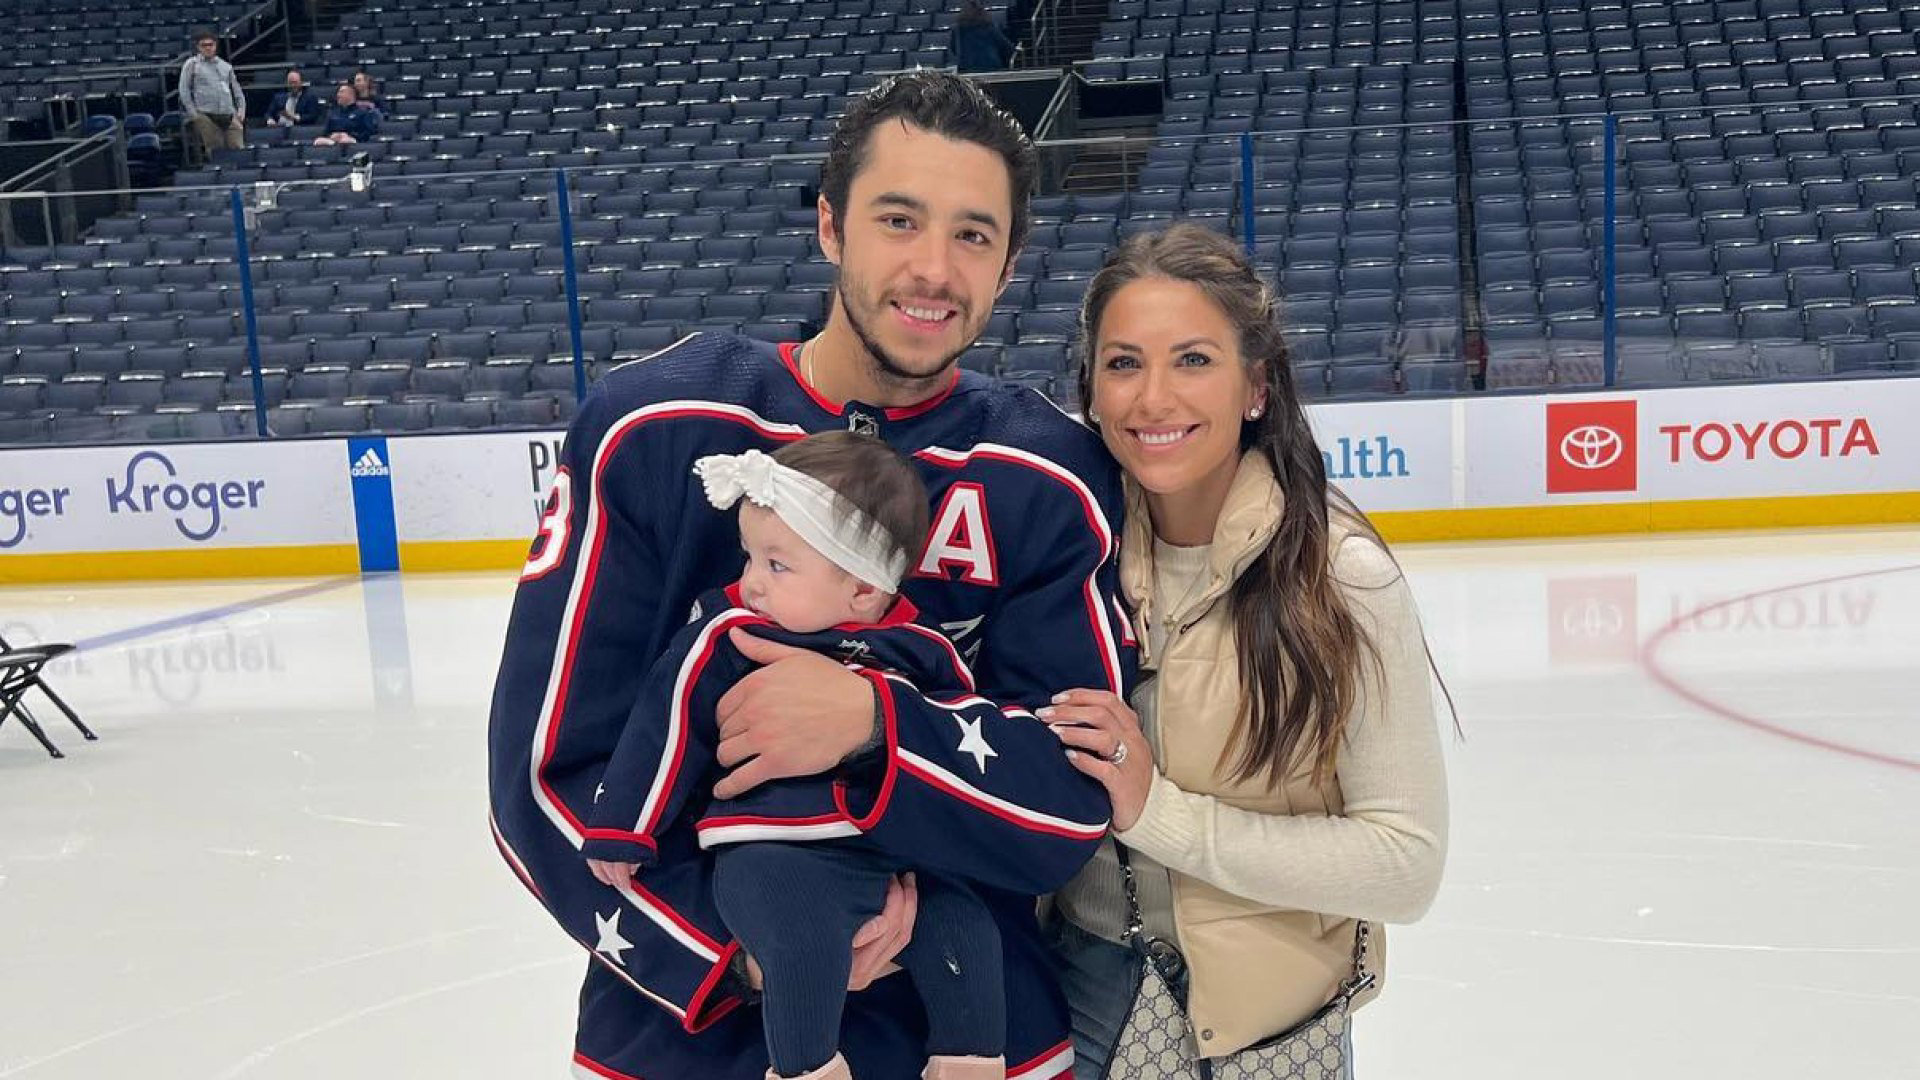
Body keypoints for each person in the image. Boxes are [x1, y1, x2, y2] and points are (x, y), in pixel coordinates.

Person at [487, 70, 1134, 1080]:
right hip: (683, 1040)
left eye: (973, 235)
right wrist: (747, 954)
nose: (933, 269)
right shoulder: (660, 429)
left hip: (969, 1034)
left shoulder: (1047, 476)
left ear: (1009, 266)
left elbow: (1070, 800)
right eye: (898, 219)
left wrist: (877, 725)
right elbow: (549, 771)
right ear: (830, 225)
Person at [1041, 223, 1451, 1078]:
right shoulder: (1065, 559)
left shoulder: (1341, 579)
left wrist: (1158, 814)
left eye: (1193, 359)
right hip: (1084, 1010)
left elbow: (1403, 865)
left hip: (1274, 1030)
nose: (1153, 399)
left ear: (1256, 386)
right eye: (1123, 364)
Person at [588, 433, 1008, 1080]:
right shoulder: (730, 636)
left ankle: (969, 1063)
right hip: (773, 853)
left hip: (891, 858)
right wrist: (625, 823)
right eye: (750, 558)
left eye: (777, 566)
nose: (750, 582)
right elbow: (664, 723)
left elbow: (957, 742)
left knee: (967, 930)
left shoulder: (922, 652)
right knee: (803, 946)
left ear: (864, 593)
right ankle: (807, 1070)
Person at [178, 30, 245, 159]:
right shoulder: (192, 65)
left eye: (211, 44)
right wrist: (193, 113)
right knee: (215, 149)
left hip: (228, 113)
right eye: (204, 45)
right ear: (198, 47)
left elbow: (237, 90)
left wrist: (241, 110)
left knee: (238, 148)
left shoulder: (225, 66)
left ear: (215, 46)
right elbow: (184, 89)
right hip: (205, 113)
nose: (208, 48)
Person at [953, 1, 1016, 72]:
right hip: (991, 68)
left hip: (967, 70)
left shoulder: (957, 29)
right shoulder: (989, 27)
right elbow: (1007, 47)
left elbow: (954, 49)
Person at [313, 83, 380, 145]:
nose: (338, 95)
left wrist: (349, 135)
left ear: (351, 94)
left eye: (341, 92)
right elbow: (325, 132)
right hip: (333, 141)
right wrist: (331, 135)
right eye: (338, 92)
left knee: (345, 141)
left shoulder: (362, 113)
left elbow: (368, 132)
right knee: (318, 141)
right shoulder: (333, 113)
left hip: (353, 142)